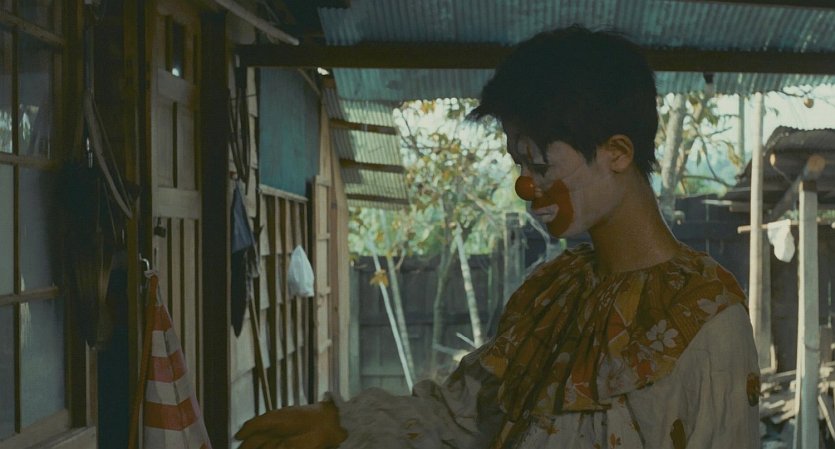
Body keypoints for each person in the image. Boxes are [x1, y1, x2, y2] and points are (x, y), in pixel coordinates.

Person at [235, 25, 760, 449]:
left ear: (617, 153)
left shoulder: (707, 320)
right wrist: (344, 425)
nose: (525, 186)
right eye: (518, 164)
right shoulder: (552, 290)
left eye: (541, 165)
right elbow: (467, 416)